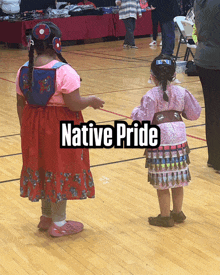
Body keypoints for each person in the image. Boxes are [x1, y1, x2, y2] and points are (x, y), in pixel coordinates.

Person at [16, 22, 104, 237]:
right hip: (59, 127)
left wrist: (25, 128)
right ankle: (60, 222)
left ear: (32, 45)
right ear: (57, 43)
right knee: (59, 168)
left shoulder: (23, 70)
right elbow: (74, 104)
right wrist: (90, 100)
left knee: (44, 168)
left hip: (33, 125)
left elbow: (20, 103)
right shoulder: (65, 71)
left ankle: (46, 217)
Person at [131, 55, 201, 227]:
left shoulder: (150, 96)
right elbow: (194, 113)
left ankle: (164, 216)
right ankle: (177, 212)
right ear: (173, 75)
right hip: (179, 140)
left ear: (152, 76)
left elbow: (143, 121)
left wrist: (135, 113)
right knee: (178, 177)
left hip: (159, 140)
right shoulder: (181, 92)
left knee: (162, 180)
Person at [194, 0, 220, 172]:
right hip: (217, 59)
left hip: (202, 57)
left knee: (212, 110)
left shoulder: (199, 1)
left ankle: (214, 158)